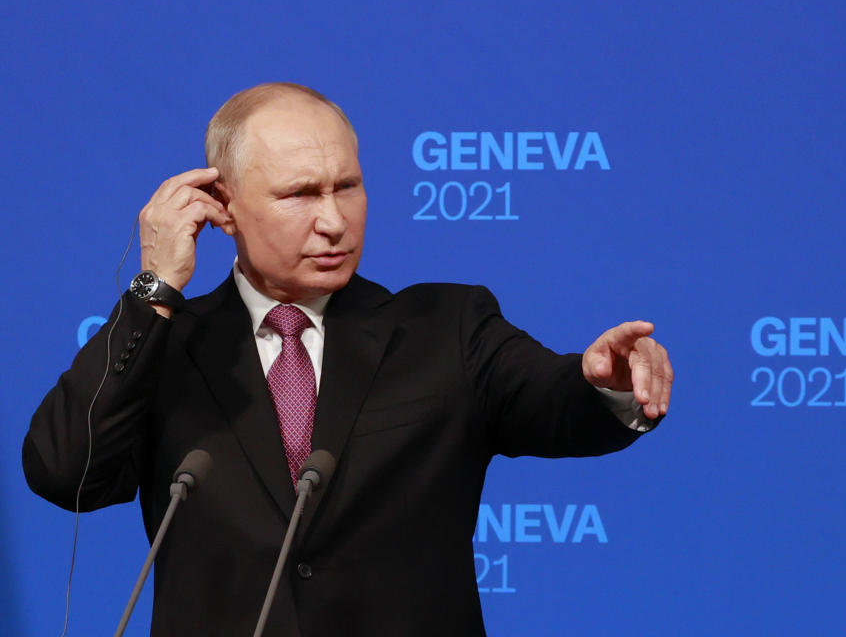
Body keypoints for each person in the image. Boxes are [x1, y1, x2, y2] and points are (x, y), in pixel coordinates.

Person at [23, 83, 673, 636]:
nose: (334, 221)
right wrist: (154, 291)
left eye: (348, 187)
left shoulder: (446, 327)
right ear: (222, 208)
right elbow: (64, 471)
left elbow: (553, 399)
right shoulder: (167, 348)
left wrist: (606, 386)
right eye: (301, 194)